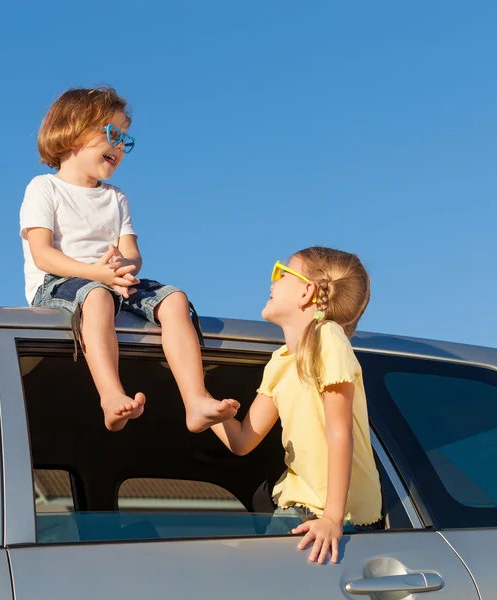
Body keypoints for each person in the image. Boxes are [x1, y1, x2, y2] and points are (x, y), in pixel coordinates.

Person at [20, 85, 239, 432]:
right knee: (95, 297)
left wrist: (123, 268)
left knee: (175, 300)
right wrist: (96, 274)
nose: (120, 145)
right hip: (61, 282)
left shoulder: (116, 198)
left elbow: (132, 252)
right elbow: (43, 255)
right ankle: (110, 395)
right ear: (73, 130)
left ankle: (196, 400)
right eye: (112, 133)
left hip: (111, 281)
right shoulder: (44, 189)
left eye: (125, 139)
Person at [211, 247, 382, 564]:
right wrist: (207, 410)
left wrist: (332, 518)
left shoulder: (328, 338)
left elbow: (339, 432)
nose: (272, 282)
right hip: (298, 506)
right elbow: (243, 441)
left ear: (306, 292)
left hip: (331, 516)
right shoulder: (279, 362)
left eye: (281, 271)